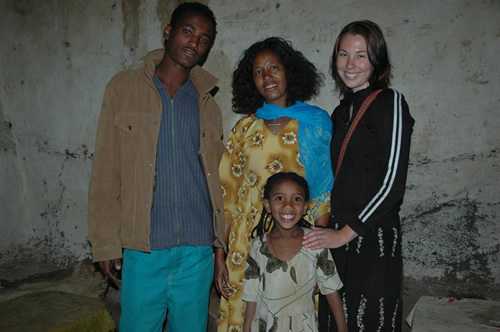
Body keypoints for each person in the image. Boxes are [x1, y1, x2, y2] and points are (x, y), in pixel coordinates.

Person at [87, 3, 226, 331]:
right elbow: (106, 170)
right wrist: (105, 241)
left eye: (204, 39)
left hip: (197, 249)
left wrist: (219, 245)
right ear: (168, 32)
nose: (194, 42)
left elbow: (218, 179)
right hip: (144, 246)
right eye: (187, 31)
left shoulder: (207, 104)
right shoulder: (122, 88)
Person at [216, 37, 334, 331]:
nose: (267, 76)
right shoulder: (244, 128)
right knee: (244, 317)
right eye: (258, 71)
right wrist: (220, 255)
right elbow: (227, 196)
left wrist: (319, 257)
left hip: (297, 241)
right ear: (251, 81)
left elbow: (321, 195)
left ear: (288, 71)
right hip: (245, 244)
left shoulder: (314, 124)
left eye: (273, 67)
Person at [303, 20, 415, 331]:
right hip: (338, 234)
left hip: (372, 234)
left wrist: (345, 233)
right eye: (343, 54)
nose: (350, 64)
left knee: (370, 321)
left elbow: (393, 184)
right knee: (335, 321)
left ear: (376, 60)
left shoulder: (389, 102)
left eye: (361, 55)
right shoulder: (339, 113)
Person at [242, 172, 347, 332]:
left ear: (305, 207)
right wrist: (246, 328)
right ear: (267, 205)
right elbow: (251, 297)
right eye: (279, 198)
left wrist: (342, 328)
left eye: (296, 199)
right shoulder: (258, 246)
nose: (288, 205)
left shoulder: (315, 242)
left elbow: (331, 290)